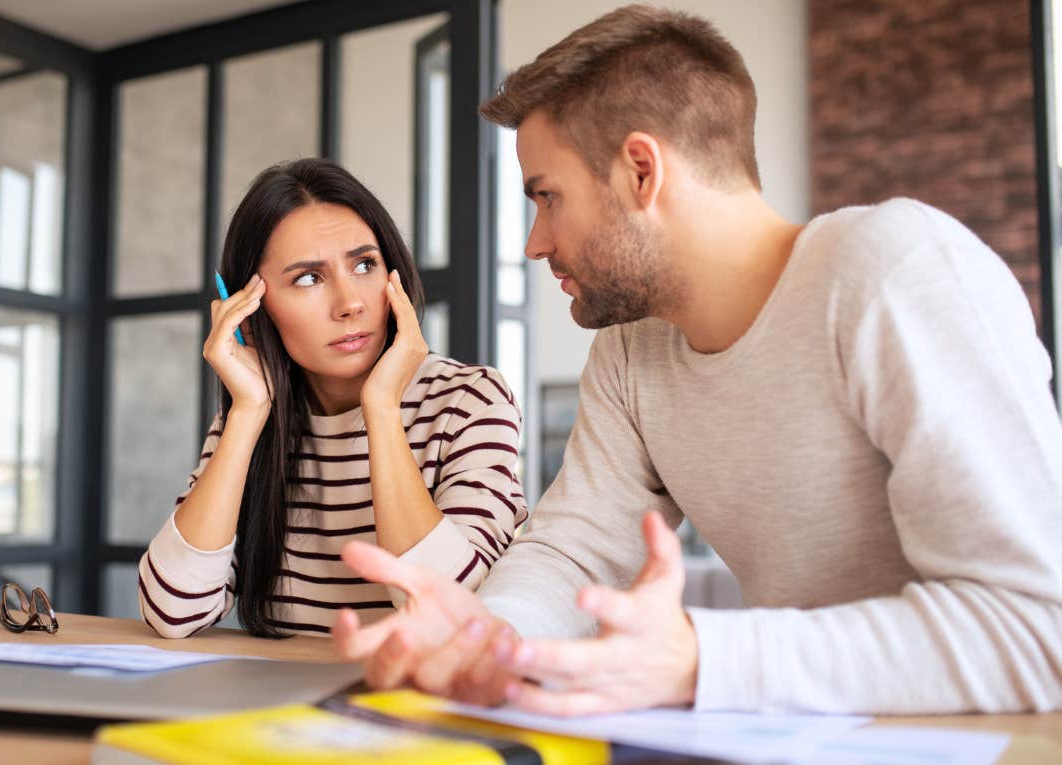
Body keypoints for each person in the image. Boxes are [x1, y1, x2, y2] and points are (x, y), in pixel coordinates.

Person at [332, 5, 1062, 714]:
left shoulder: (896, 271)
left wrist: (702, 660)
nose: (535, 242)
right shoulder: (631, 347)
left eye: (547, 197)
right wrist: (487, 640)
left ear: (641, 172)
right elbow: (572, 555)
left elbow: (1041, 627)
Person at [138, 158, 529, 639]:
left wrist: (381, 409)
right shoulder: (255, 415)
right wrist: (247, 414)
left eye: (365, 265)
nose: (350, 303)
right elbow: (172, 613)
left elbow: (450, 616)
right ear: (250, 308)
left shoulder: (469, 400)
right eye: (308, 278)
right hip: (281, 706)